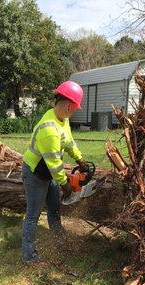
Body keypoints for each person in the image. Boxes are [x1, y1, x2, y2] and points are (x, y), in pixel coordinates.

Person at [21, 81, 87, 263]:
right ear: (68, 105)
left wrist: (79, 159)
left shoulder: (61, 119)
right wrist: (66, 185)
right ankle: (29, 257)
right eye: (74, 109)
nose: (74, 112)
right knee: (33, 216)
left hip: (49, 172)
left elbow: (69, 142)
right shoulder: (49, 128)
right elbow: (54, 164)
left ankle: (60, 244)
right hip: (35, 173)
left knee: (54, 210)